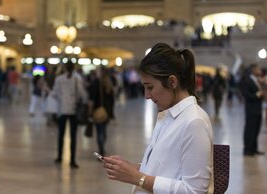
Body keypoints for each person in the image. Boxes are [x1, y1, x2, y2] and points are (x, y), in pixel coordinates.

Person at [102, 43, 214, 194]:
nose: (147, 96)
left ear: (172, 82)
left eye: (150, 87)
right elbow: (167, 167)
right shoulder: (169, 115)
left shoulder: (194, 122)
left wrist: (138, 178)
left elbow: (194, 190)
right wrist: (133, 168)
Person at [51, 60, 87, 168]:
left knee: (62, 135)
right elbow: (82, 94)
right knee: (71, 136)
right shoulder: (76, 78)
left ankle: (61, 157)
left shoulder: (60, 79)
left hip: (65, 110)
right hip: (71, 110)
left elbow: (55, 93)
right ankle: (71, 160)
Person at [88, 67, 115, 156]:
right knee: (103, 130)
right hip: (106, 112)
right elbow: (112, 100)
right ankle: (102, 146)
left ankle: (101, 149)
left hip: (98, 110)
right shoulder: (109, 83)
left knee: (99, 130)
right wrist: (111, 113)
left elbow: (91, 98)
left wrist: (90, 111)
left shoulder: (96, 83)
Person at [240, 64, 265, 156]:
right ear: (253, 70)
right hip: (251, 108)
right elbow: (247, 95)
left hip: (258, 108)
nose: (260, 71)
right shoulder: (247, 81)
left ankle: (254, 148)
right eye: (258, 69)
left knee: (256, 129)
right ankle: (247, 150)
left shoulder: (257, 80)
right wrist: (258, 94)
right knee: (250, 129)